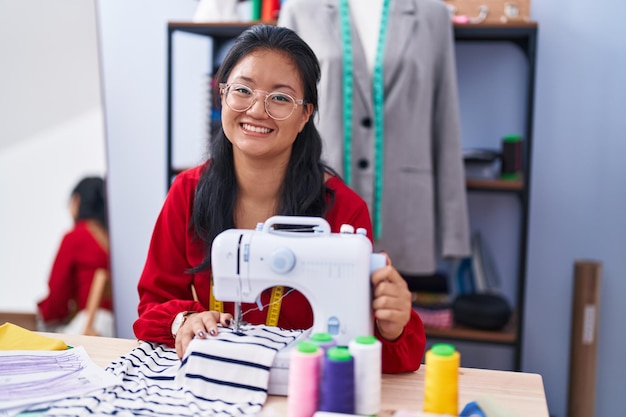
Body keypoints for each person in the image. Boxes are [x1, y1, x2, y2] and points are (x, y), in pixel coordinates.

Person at [133, 24, 425, 373]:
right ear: (222, 95)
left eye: (281, 97)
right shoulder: (188, 193)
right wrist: (183, 320)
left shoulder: (343, 211)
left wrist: (393, 326)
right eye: (242, 90)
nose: (257, 110)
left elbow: (373, 347)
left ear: (305, 115)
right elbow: (153, 306)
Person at [278, 0, 470, 276]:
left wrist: (454, 233)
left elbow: (445, 117)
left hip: (402, 207)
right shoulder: (300, 10)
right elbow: (283, 108)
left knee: (394, 312)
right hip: (318, 196)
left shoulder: (433, 14)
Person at [37, 176, 114, 337]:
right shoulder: (114, 239)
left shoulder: (76, 237)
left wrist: (44, 314)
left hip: (90, 325)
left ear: (77, 201)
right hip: (117, 327)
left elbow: (57, 297)